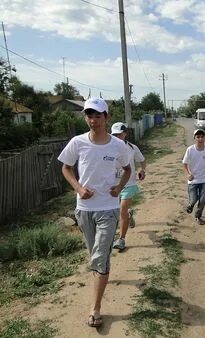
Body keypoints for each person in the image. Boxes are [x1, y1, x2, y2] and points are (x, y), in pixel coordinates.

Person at [57, 98, 131, 327]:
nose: (93, 120)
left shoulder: (118, 146)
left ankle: (95, 307)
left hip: (108, 209)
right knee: (96, 254)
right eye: (89, 115)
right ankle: (101, 270)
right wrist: (78, 188)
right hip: (84, 209)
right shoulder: (77, 143)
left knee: (99, 257)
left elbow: (127, 169)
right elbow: (65, 167)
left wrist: (119, 188)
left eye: (98, 115)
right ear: (85, 118)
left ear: (106, 118)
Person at [111, 122, 146, 251]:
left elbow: (142, 160)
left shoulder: (132, 148)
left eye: (120, 134)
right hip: (112, 185)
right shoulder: (107, 147)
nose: (117, 137)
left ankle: (121, 239)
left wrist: (142, 170)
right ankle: (128, 215)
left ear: (125, 133)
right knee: (116, 212)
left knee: (122, 210)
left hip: (128, 184)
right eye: (114, 135)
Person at [182, 129, 205, 225]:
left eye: (202, 137)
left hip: (204, 179)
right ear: (194, 138)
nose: (200, 139)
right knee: (194, 199)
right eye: (198, 137)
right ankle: (190, 205)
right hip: (192, 180)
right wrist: (188, 174)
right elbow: (184, 164)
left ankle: (198, 216)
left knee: (203, 199)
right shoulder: (190, 150)